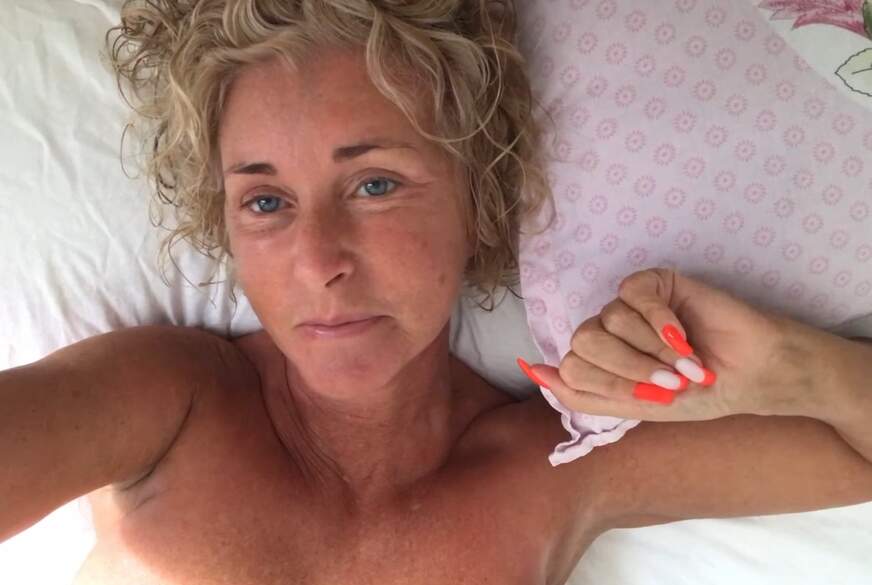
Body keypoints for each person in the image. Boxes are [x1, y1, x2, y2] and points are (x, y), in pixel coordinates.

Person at [1, 1, 871, 583]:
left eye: (375, 184)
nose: (318, 261)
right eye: (265, 202)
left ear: (478, 201)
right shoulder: (169, 402)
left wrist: (788, 364)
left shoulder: (549, 473)